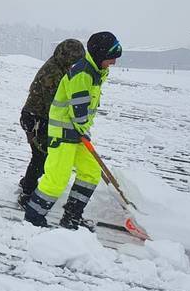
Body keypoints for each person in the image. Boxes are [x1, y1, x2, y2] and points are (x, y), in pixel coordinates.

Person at [24, 31, 122, 229]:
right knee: (57, 177)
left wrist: (83, 130)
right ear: (100, 55)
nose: (113, 63)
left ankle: (72, 216)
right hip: (63, 132)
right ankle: (33, 217)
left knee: (90, 171)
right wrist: (83, 128)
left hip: (76, 132)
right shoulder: (82, 74)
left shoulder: (95, 71)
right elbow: (79, 113)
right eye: (111, 58)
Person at [17, 39, 86, 206]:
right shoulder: (53, 73)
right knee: (40, 157)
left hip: (38, 117)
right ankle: (27, 193)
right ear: (66, 57)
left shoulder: (60, 66)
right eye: (74, 60)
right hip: (36, 119)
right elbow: (54, 105)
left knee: (41, 156)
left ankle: (27, 182)